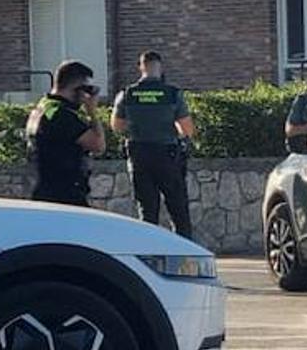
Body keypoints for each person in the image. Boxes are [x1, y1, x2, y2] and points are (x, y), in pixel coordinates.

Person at [111, 51, 195, 239]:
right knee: (178, 208)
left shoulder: (127, 94)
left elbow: (117, 126)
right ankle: (183, 251)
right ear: (160, 66)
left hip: (139, 155)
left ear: (141, 67)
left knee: (147, 210)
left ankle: (149, 253)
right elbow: (187, 129)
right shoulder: (173, 94)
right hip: (167, 155)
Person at [26, 60, 107, 206]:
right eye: (86, 89)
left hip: (44, 191)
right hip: (65, 193)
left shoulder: (42, 108)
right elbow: (98, 145)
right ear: (77, 88)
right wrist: (92, 112)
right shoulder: (61, 115)